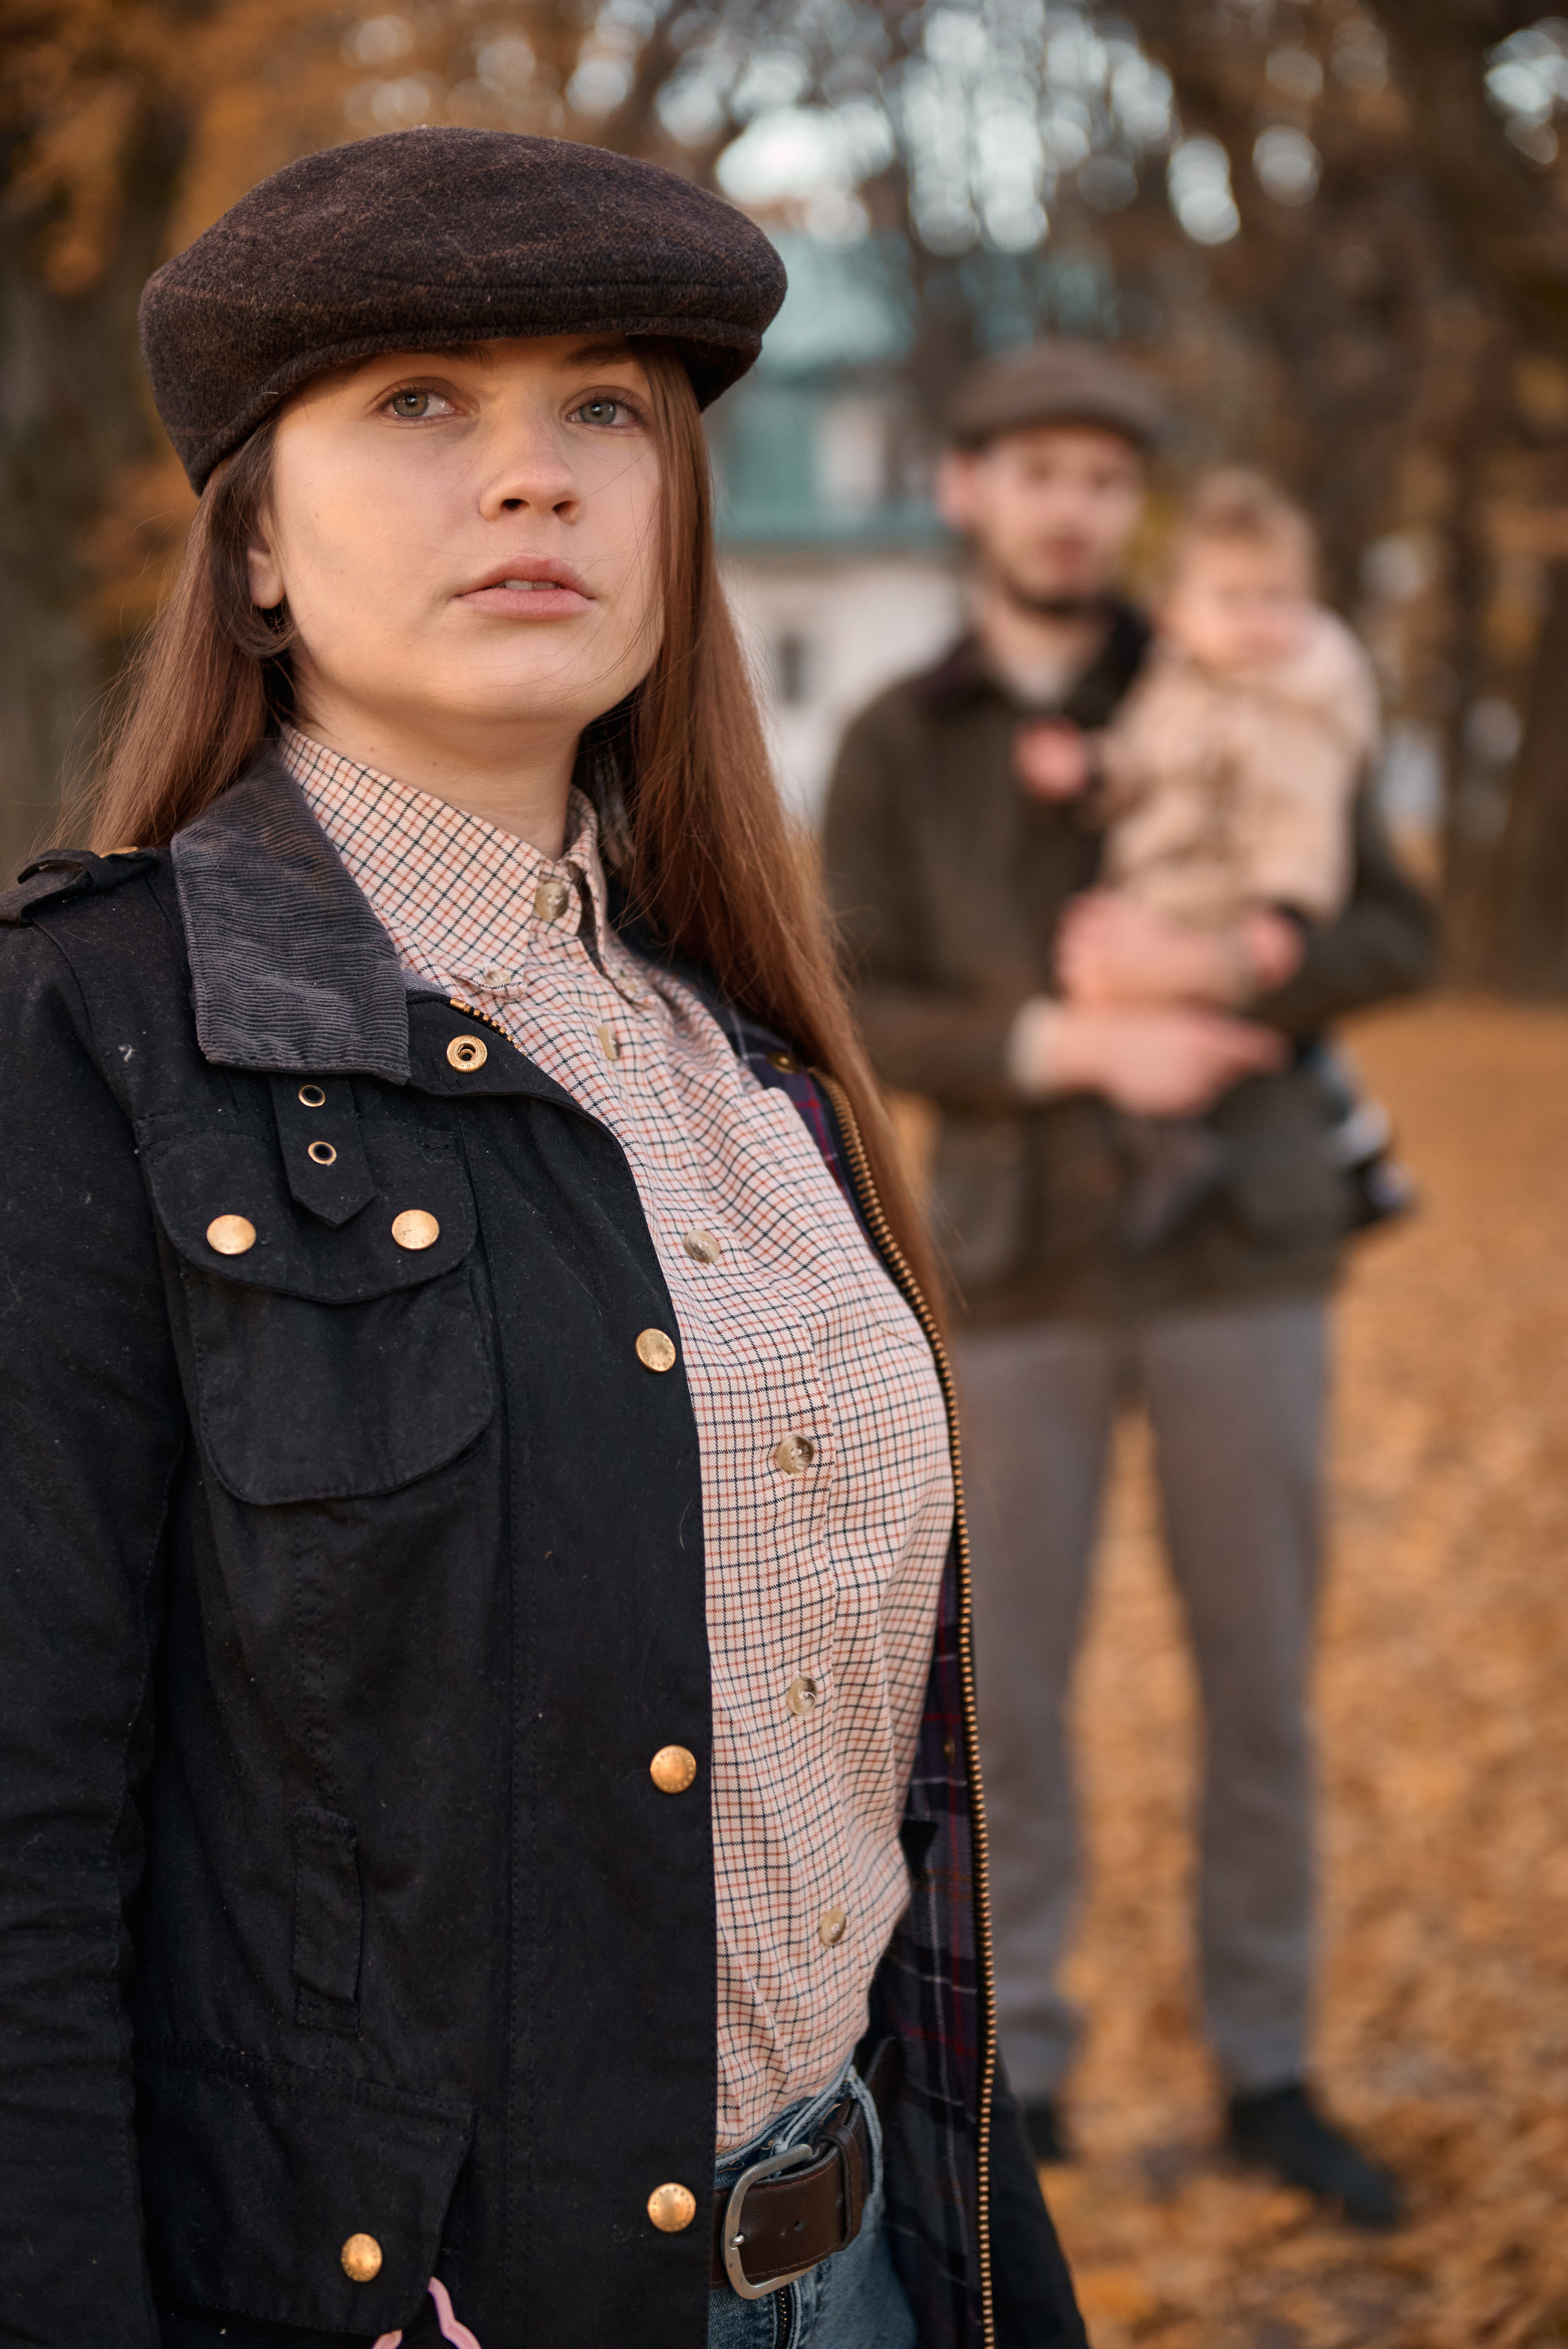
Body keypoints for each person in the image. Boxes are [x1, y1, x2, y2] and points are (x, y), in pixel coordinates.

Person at [0, 134, 1085, 2349]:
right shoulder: (93, 1036)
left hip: (875, 2258)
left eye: (604, 408)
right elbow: (22, 1855)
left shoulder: (747, 1051)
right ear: (258, 551)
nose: (537, 478)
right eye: (418, 402)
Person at [823, 339, 1437, 2230]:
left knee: (1259, 1677)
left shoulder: (1233, 662)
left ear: (1130, 506)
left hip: (1243, 1245)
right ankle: (1026, 2075)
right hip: (1014, 1270)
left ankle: (1266, 2069)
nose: (1070, 505)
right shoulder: (892, 738)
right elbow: (854, 1001)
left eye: (1103, 476)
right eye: (1034, 471)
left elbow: (1395, 927)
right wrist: (1064, 1043)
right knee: (1003, 1703)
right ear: (964, 490)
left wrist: (1240, 960)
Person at [1018, 465, 1405, 1250]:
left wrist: (1283, 915)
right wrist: (1089, 767)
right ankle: (1192, 1152)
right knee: (1139, 1012)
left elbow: (1299, 821)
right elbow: (1142, 759)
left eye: (1277, 600)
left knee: (1255, 1032)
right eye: (1232, 601)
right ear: (1174, 616)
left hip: (1219, 898)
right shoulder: (1175, 686)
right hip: (1159, 887)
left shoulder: (1288, 710)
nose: (1258, 622)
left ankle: (1349, 1152)